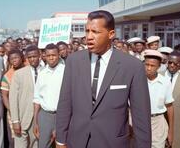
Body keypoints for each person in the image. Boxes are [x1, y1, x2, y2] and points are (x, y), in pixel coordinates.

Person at [56, 10, 151, 148]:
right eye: (87, 31)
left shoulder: (132, 66)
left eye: (95, 32)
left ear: (111, 34)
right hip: (76, 141)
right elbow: (65, 102)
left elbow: (141, 116)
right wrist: (60, 140)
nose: (89, 36)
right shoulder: (73, 61)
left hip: (112, 142)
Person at [9, 45, 42, 148]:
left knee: (36, 145)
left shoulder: (46, 71)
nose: (32, 59)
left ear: (40, 56)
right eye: (30, 57)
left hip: (40, 117)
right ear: (26, 58)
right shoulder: (19, 74)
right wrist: (15, 121)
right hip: (23, 117)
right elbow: (13, 99)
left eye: (35, 56)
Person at [33, 44, 65, 148]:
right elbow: (37, 98)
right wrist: (35, 122)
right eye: (48, 55)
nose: (51, 58)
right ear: (44, 56)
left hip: (62, 115)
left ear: (59, 55)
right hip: (45, 116)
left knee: (61, 145)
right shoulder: (42, 73)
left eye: (54, 55)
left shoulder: (65, 71)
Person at [144, 49, 174, 148]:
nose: (148, 68)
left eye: (152, 66)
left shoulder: (165, 82)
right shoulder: (136, 80)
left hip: (158, 122)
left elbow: (169, 107)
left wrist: (171, 131)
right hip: (140, 120)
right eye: (146, 64)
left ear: (159, 67)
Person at [1, 49, 24, 148]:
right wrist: (12, 111)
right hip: (13, 113)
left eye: (16, 57)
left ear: (21, 58)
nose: (14, 60)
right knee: (14, 140)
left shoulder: (29, 70)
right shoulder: (7, 76)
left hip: (27, 110)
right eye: (12, 59)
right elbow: (4, 96)